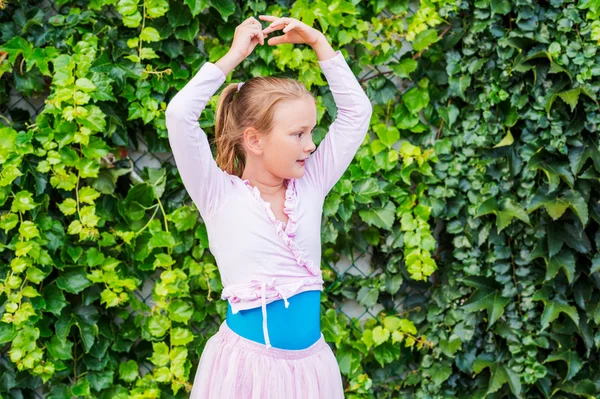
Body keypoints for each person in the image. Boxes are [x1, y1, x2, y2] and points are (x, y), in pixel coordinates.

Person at [166, 13, 372, 399]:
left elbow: (357, 114)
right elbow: (179, 115)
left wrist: (320, 45)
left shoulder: (311, 185)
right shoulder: (218, 195)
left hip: (312, 373)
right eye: (298, 134)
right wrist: (230, 58)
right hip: (247, 374)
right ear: (254, 140)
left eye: (311, 131)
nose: (311, 144)